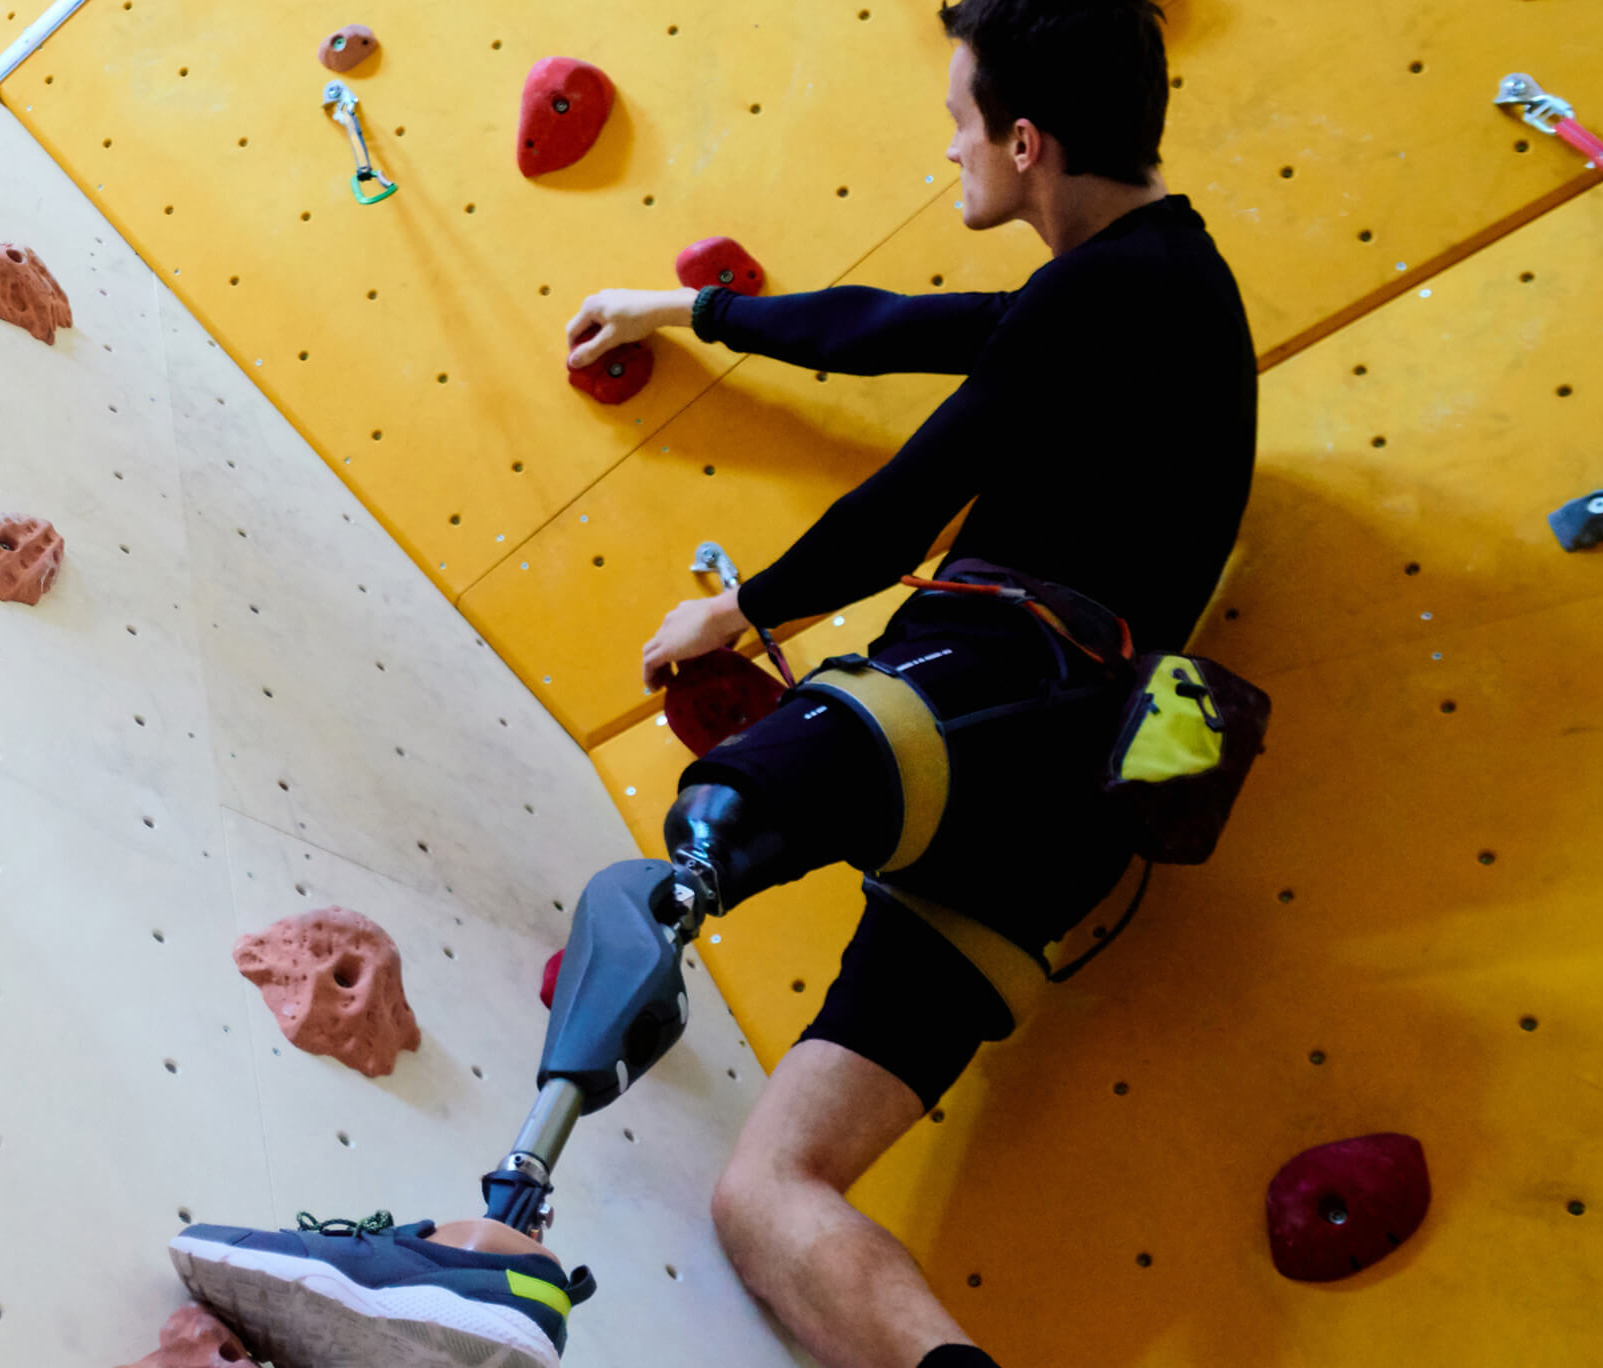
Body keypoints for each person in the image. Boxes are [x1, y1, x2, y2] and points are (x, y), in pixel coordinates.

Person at [162, 3, 1257, 1365]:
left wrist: (736, 612)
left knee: (685, 861)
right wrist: (683, 307)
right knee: (770, 1194)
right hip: (1057, 827)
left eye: (961, 123)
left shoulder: (1119, 287)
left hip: (991, 694)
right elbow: (888, 329)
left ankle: (487, 1254)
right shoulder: (1158, 289)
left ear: (1024, 142)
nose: (951, 149)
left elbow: (916, 492)